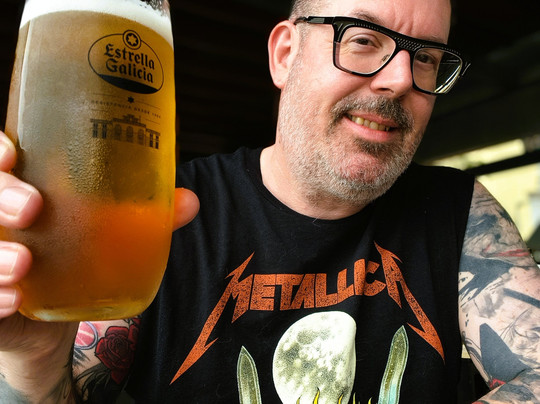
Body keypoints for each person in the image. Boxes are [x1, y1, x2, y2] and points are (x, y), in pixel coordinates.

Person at [0, 0, 539, 402]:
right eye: (362, 39)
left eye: (426, 58)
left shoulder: (457, 209)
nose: (400, 80)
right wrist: (34, 361)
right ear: (285, 55)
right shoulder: (161, 218)